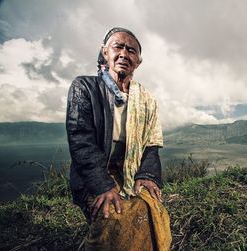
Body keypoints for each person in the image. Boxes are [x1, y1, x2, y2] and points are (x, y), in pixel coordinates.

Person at [66, 27, 171, 250]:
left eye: (131, 50)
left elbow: (151, 144)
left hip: (130, 171)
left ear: (138, 61)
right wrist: (103, 185)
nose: (124, 54)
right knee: (113, 216)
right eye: (118, 47)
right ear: (105, 52)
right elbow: (80, 139)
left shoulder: (147, 99)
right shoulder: (84, 87)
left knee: (153, 211)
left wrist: (148, 175)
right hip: (94, 175)